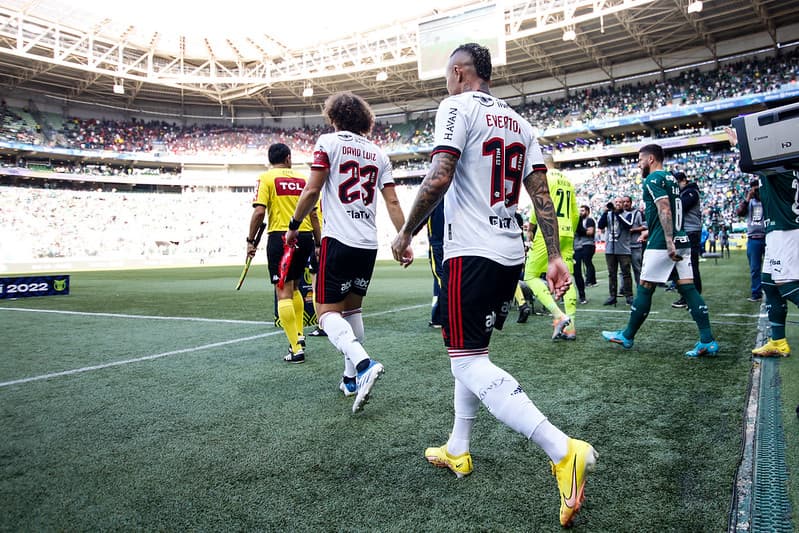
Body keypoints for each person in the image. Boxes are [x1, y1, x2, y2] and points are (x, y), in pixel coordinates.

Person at [390, 43, 597, 528]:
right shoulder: (521, 123)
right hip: (509, 252)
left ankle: (562, 449)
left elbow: (439, 176)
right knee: (469, 352)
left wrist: (405, 232)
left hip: (471, 251)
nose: (445, 81)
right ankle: (459, 447)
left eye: (447, 73)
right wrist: (558, 256)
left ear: (460, 72)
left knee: (467, 360)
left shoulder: (456, 106)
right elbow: (539, 194)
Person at [285, 91, 412, 413]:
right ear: (364, 119)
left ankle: (364, 363)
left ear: (333, 116)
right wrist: (404, 238)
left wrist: (294, 223)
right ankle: (350, 378)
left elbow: (313, 189)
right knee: (352, 312)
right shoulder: (378, 154)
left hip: (339, 239)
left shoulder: (328, 143)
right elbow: (393, 202)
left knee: (327, 314)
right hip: (367, 244)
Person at [602, 143, 718, 357]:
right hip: (681, 238)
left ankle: (627, 335)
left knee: (645, 286)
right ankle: (708, 340)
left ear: (651, 159)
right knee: (688, 288)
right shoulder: (671, 179)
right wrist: (651, 230)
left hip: (663, 243)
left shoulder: (652, 179)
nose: (638, 165)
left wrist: (667, 239)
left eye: (640, 160)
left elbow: (664, 207)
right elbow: (667, 210)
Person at [726, 127, 798, 358]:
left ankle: (778, 342)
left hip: (785, 231)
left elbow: (747, 165)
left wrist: (738, 144)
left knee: (785, 284)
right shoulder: (789, 164)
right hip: (780, 229)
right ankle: (778, 342)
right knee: (768, 284)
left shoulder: (781, 165)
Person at [247, 143, 321, 364]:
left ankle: (296, 348)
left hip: (282, 238)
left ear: (271, 159)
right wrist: (318, 242)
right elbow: (315, 214)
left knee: (283, 291)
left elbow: (260, 211)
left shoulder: (266, 178)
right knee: (296, 286)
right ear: (288, 158)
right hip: (306, 236)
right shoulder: (302, 179)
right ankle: (298, 334)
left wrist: (250, 240)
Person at [523, 159, 579, 340]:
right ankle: (571, 328)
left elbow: (539, 205)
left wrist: (531, 228)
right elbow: (575, 212)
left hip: (548, 232)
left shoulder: (544, 177)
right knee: (567, 277)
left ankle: (559, 315)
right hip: (568, 232)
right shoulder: (567, 181)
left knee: (530, 275)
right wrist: (570, 231)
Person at [671, 172, 702, 309]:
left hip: (691, 231)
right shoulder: (686, 192)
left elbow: (680, 207)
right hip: (686, 231)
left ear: (683, 180)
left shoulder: (691, 192)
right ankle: (689, 295)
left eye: (677, 183)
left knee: (690, 265)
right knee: (684, 265)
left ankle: (692, 296)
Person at [597, 197, 633, 305]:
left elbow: (628, 225)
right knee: (611, 273)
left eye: (620, 202)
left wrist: (617, 213)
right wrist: (605, 212)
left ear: (623, 204)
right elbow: (600, 225)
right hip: (610, 249)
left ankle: (629, 295)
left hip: (623, 249)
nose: (617, 204)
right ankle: (612, 296)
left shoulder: (628, 214)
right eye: (615, 202)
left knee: (626, 273)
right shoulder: (608, 215)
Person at [736, 178, 766, 302]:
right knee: (755, 269)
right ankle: (756, 293)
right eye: (754, 189)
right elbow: (739, 212)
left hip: (767, 236)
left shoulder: (767, 198)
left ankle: (776, 291)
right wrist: (748, 198)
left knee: (775, 265)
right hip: (753, 238)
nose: (756, 191)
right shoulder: (748, 203)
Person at [427, 199, 445, 328]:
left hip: (438, 242)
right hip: (453, 241)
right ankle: (438, 317)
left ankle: (441, 317)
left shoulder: (434, 193)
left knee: (441, 279)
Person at [573, 204, 597, 304]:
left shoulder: (589, 220)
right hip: (575, 246)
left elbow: (590, 232)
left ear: (587, 211)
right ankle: (580, 294)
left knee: (586, 264)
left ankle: (589, 282)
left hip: (584, 245)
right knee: (575, 272)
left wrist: (580, 229)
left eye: (583, 210)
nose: (580, 212)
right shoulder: (576, 220)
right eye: (580, 210)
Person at [627, 196, 646, 288]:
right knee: (623, 270)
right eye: (624, 202)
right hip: (624, 246)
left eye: (627, 202)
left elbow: (645, 226)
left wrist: (633, 230)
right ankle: (623, 289)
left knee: (637, 268)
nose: (625, 204)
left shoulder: (638, 213)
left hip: (635, 244)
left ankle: (640, 287)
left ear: (631, 203)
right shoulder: (620, 214)